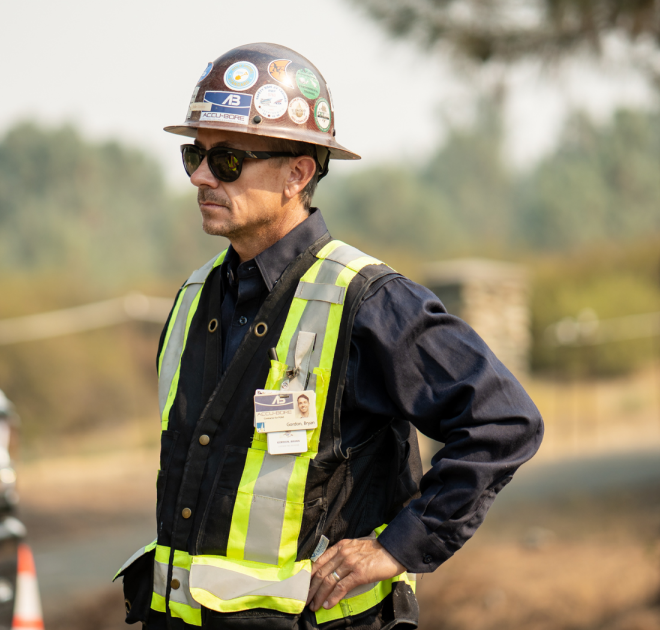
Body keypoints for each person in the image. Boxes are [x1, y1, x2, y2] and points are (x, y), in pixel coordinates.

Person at [114, 43, 543, 630]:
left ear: (298, 173)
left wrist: (398, 545)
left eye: (227, 160)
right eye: (195, 153)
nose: (199, 176)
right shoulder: (194, 298)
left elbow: (502, 420)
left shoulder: (368, 300)